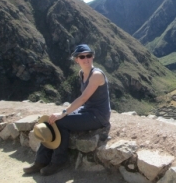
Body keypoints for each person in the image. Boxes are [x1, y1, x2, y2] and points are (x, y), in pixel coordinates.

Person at [23, 44, 111, 176]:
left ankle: (58, 162)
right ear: (76, 59)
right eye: (82, 56)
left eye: (89, 55)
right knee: (51, 121)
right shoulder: (82, 73)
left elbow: (83, 98)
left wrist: (64, 112)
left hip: (98, 115)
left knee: (60, 122)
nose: (86, 59)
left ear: (93, 57)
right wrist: (62, 114)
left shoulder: (96, 75)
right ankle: (40, 161)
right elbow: (84, 101)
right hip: (87, 110)